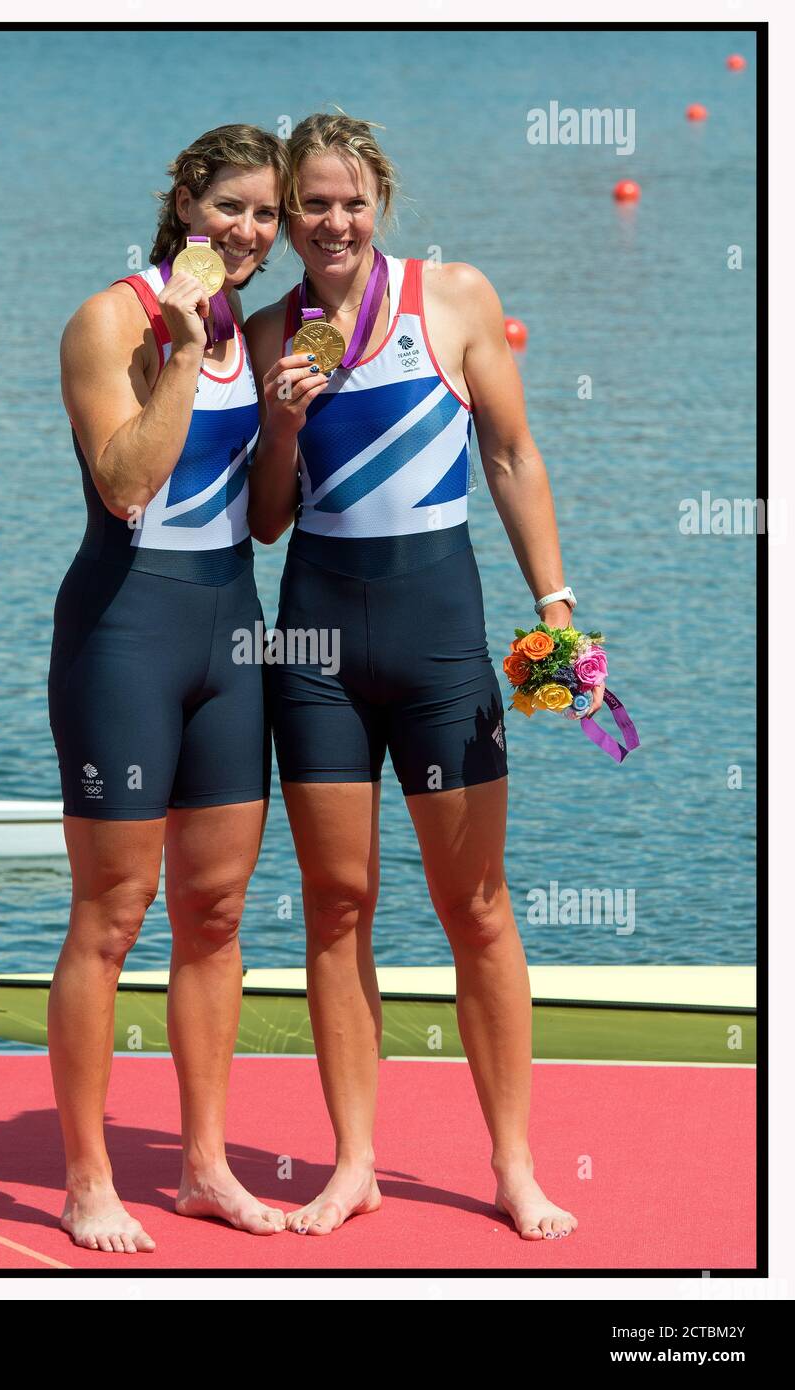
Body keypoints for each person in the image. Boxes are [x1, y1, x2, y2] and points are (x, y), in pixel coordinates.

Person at [246, 111, 600, 1241]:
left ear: (378, 202)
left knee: (478, 908)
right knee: (336, 904)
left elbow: (510, 454)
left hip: (443, 642)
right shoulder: (267, 336)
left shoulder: (452, 299)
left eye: (352, 200)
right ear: (290, 216)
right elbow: (264, 525)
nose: (333, 220)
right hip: (314, 654)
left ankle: (513, 1164)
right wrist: (283, 425)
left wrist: (557, 609)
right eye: (313, 203)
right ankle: (354, 1161)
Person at [47, 125, 290, 1252]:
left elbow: (268, 514)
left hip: (229, 636)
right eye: (230, 207)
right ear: (185, 200)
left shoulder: (258, 323)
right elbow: (127, 484)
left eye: (267, 216)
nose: (249, 233)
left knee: (220, 913)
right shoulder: (112, 318)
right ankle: (88, 1178)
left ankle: (203, 1168)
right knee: (111, 916)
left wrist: (287, 411)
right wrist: (185, 352)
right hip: (125, 633)